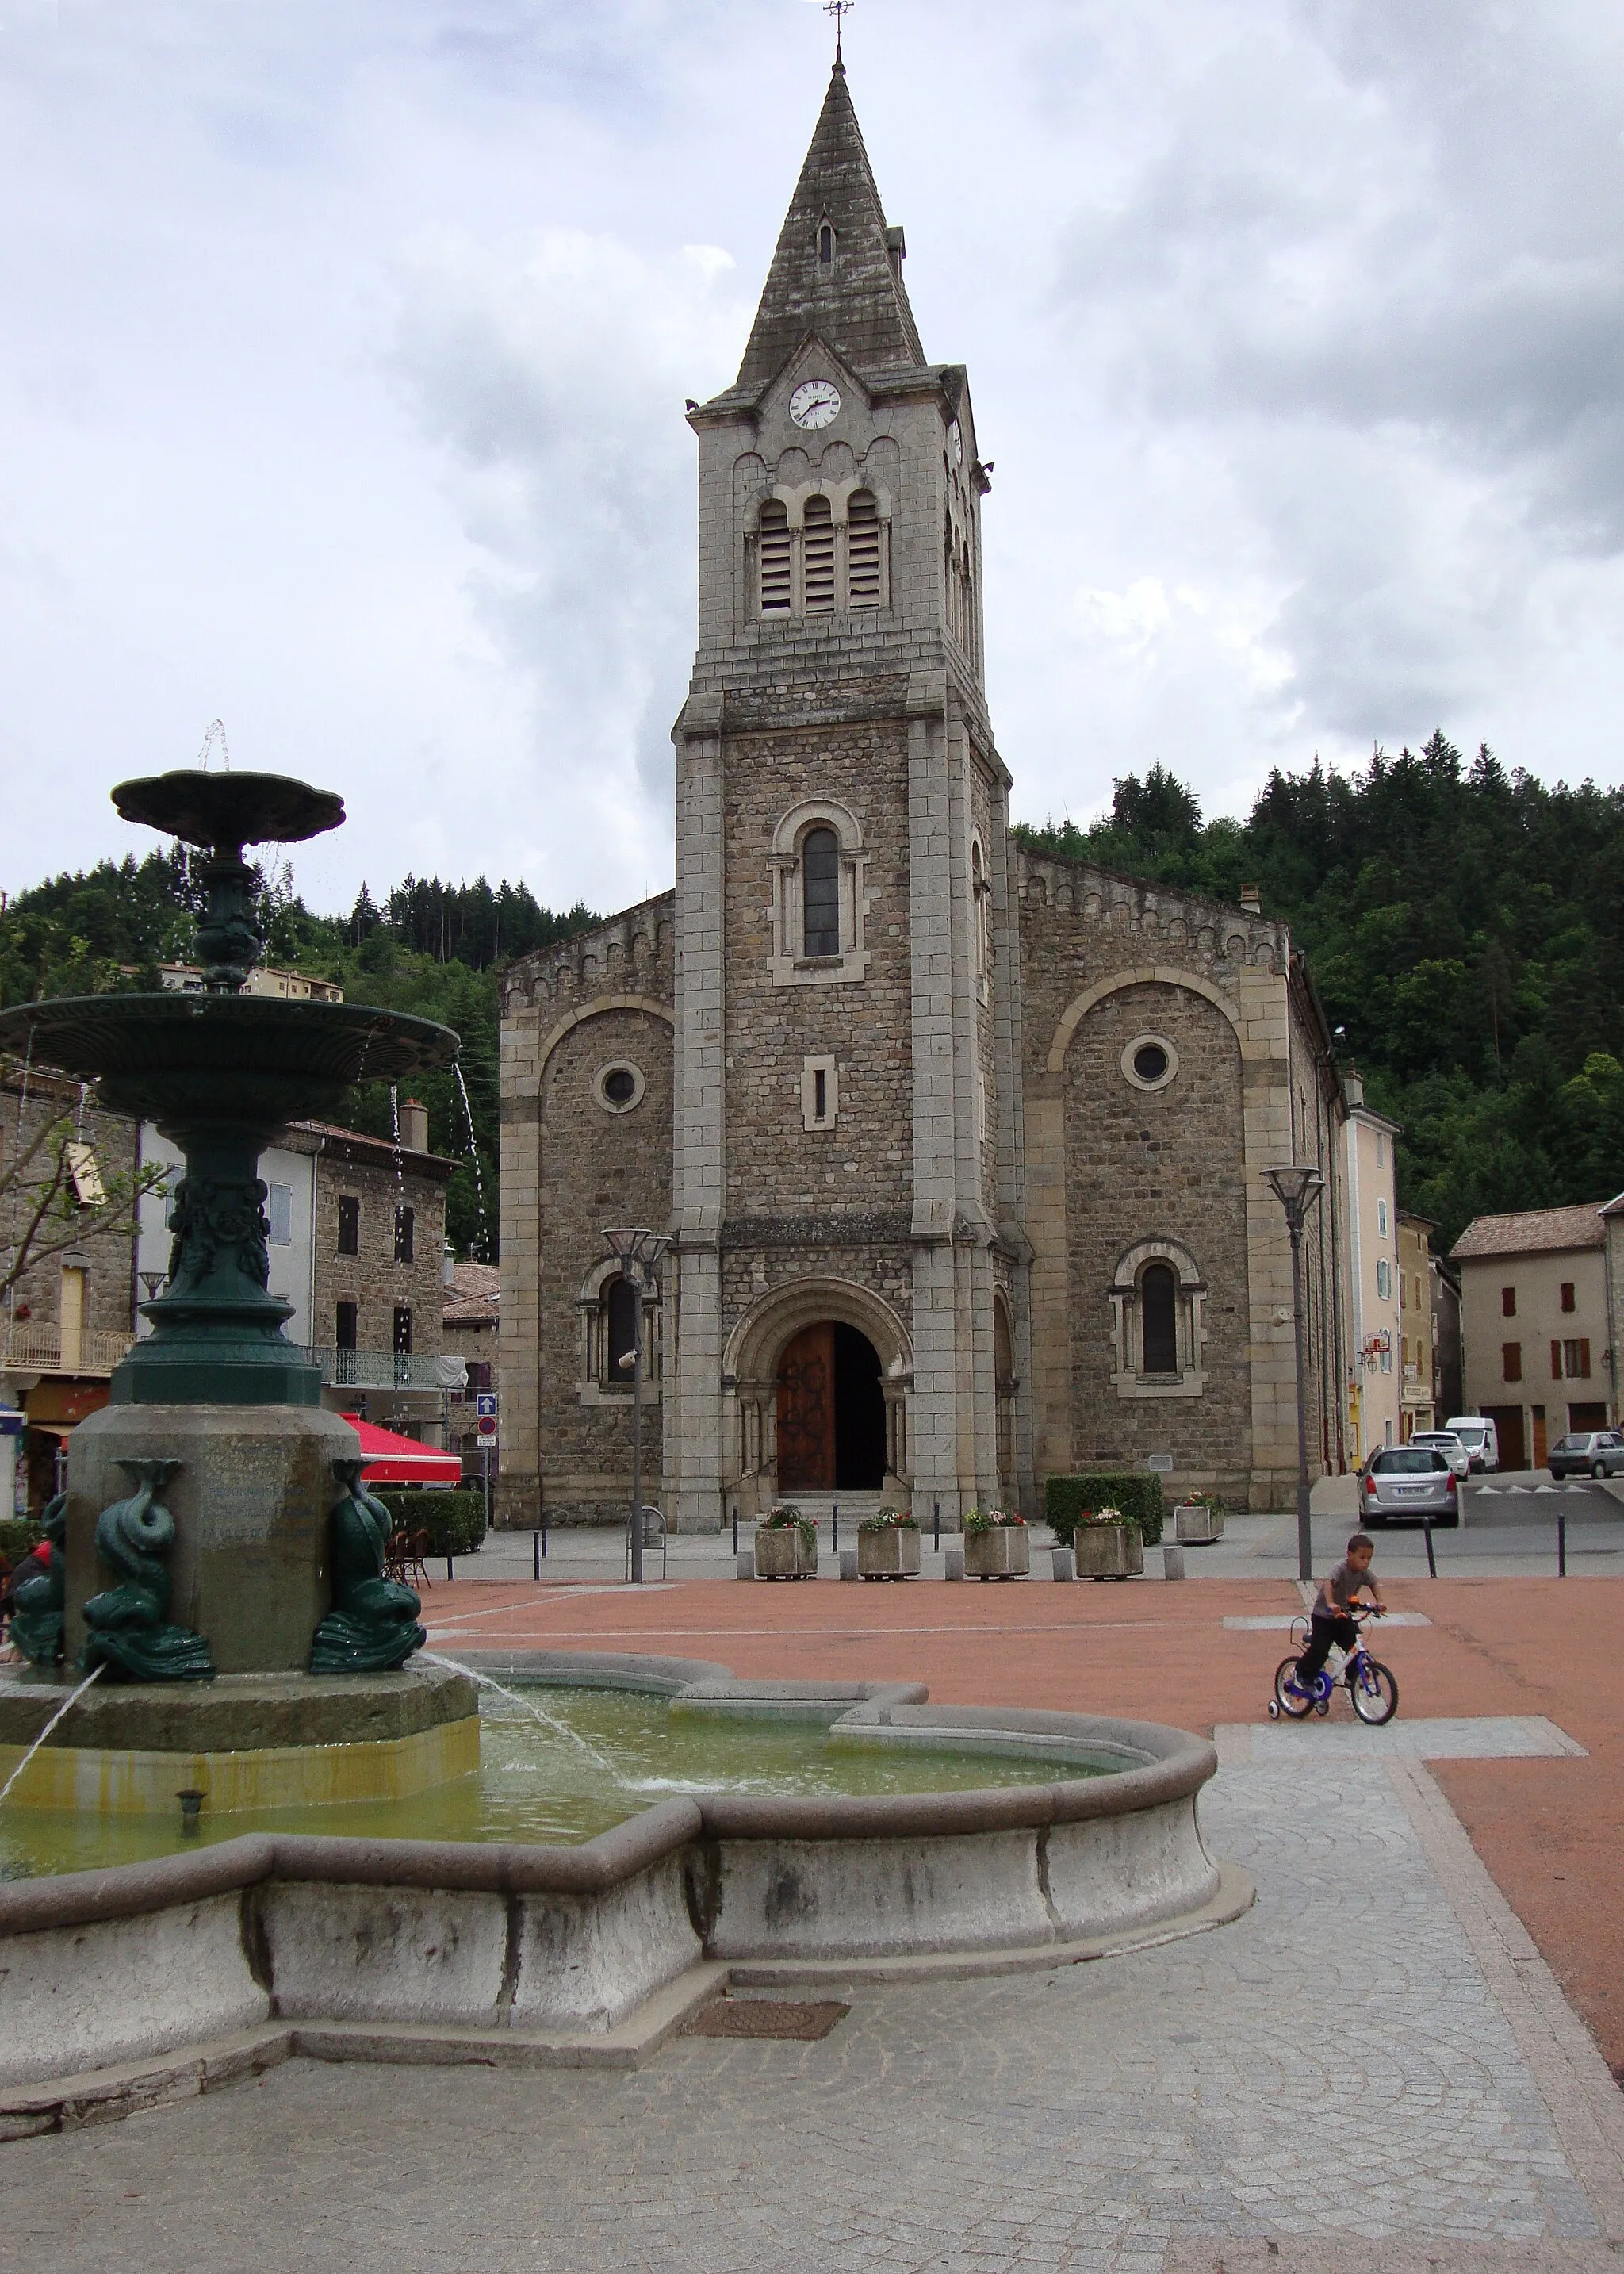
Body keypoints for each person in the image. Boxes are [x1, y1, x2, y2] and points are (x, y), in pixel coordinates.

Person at [1289, 1531, 1386, 1697]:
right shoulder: (1340, 1568)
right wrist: (1331, 1603)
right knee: (1320, 1650)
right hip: (1324, 1617)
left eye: (1369, 1558)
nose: (1366, 1562)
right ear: (1349, 1555)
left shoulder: (1363, 1573)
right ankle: (1301, 1673)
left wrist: (1380, 1602)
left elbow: (1374, 1584)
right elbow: (1328, 1583)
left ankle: (1351, 1678)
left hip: (1343, 1616)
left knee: (1354, 1647)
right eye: (1362, 1557)